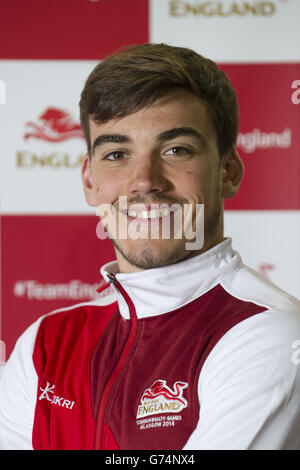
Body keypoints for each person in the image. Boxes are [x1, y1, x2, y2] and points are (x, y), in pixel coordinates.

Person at [1, 43, 300, 451]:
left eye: (176, 150)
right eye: (117, 153)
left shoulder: (270, 332)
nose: (144, 180)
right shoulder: (44, 343)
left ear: (228, 172)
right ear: (90, 181)